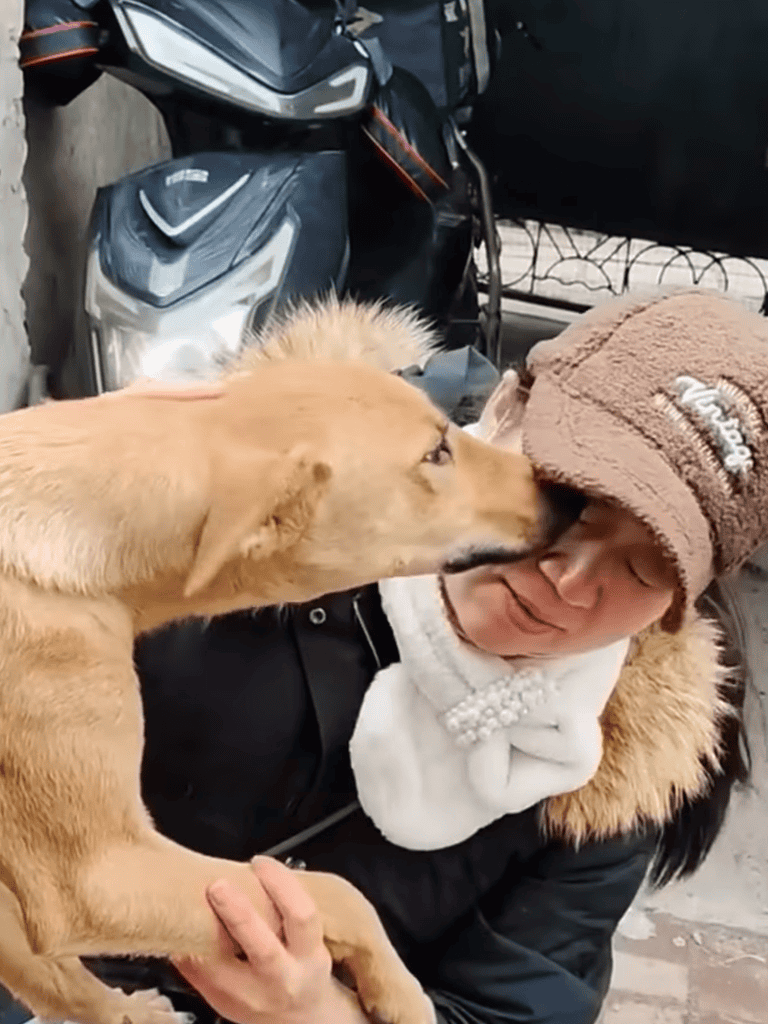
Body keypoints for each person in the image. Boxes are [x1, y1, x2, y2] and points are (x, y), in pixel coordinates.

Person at [83, 288, 762, 1024]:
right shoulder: (236, 509)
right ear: (504, 409)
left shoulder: (601, 779)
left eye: (641, 569)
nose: (570, 580)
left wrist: (319, 1015)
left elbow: (509, 1010)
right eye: (567, 500)